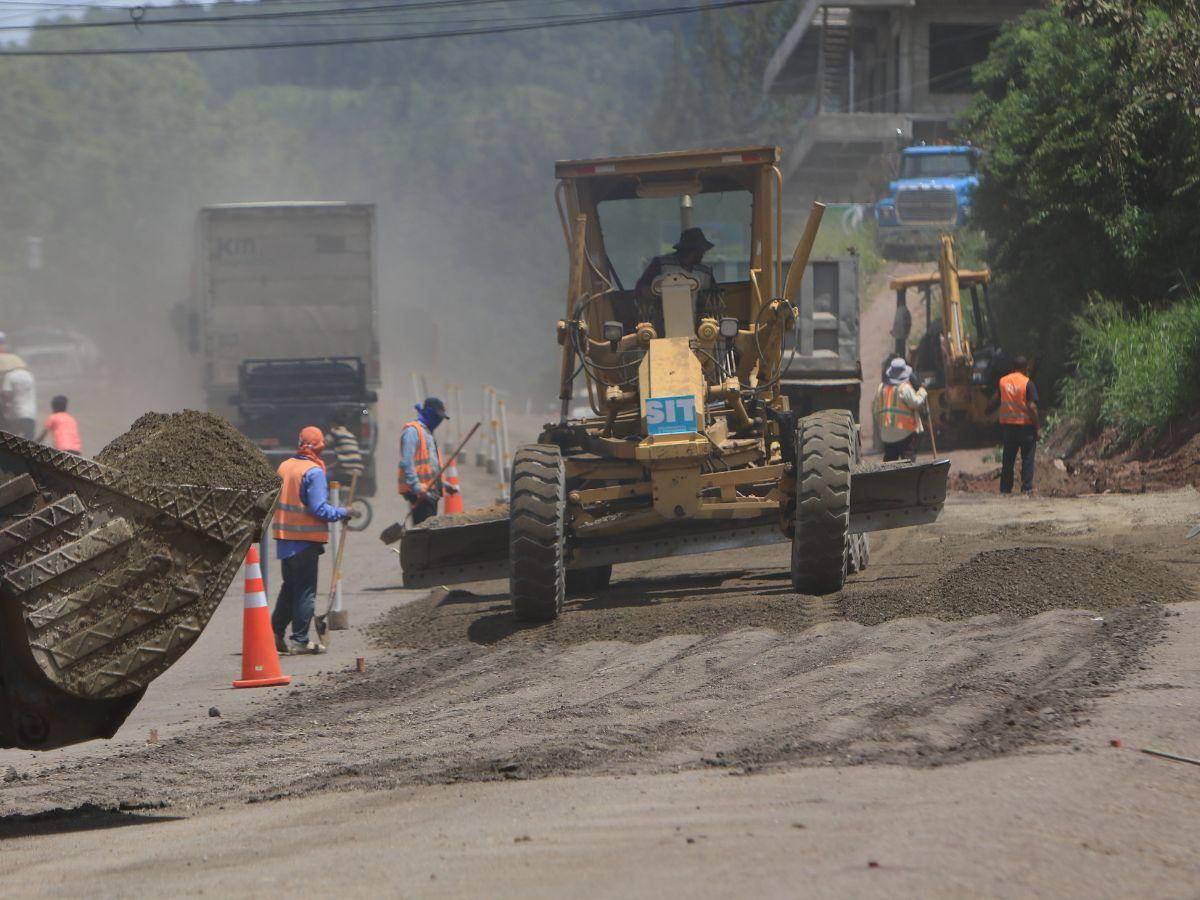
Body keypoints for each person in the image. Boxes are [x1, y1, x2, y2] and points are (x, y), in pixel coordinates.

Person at [271, 426, 356, 654]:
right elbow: (319, 508)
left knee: (289, 588)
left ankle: (274, 632)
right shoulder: (313, 472)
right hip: (304, 541)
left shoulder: (285, 466)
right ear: (319, 448)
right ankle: (300, 639)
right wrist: (343, 512)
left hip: (285, 540)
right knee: (305, 591)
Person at [631, 227, 716, 333]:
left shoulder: (705, 272)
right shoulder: (661, 265)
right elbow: (641, 290)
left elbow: (713, 299)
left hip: (696, 329)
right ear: (694, 250)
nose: (703, 254)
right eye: (701, 250)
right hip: (660, 326)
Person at [399, 397, 456, 525]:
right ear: (429, 412)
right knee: (424, 533)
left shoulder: (428, 433)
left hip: (431, 492)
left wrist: (444, 484)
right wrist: (416, 486)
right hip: (421, 494)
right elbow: (407, 463)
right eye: (437, 416)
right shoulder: (412, 432)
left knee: (429, 532)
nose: (439, 420)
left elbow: (430, 467)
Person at [997, 356, 1040, 494]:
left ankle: (1005, 489)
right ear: (1025, 368)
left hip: (1009, 427)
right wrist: (1037, 426)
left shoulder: (1003, 382)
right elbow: (1032, 407)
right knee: (1027, 458)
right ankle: (1026, 488)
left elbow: (998, 399)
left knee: (1008, 459)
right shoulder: (1028, 383)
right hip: (1025, 427)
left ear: (1012, 367)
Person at [873, 357, 928, 462]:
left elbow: (875, 411)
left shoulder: (881, 388)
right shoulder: (904, 388)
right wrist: (922, 390)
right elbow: (916, 403)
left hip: (886, 434)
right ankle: (909, 475)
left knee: (890, 461)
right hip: (905, 433)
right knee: (908, 459)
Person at [0, 350, 36, 440]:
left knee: (12, 441)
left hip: (16, 413)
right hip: (31, 413)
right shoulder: (29, 375)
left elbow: (6, 395)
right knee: (30, 440)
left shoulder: (10, 376)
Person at [326, 411, 365, 486]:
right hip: (357, 472)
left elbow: (321, 444)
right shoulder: (350, 435)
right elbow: (346, 459)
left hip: (345, 471)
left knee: (323, 478)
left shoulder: (335, 432)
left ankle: (324, 497)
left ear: (334, 424)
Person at [890, 293, 912, 358]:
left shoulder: (900, 310)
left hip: (900, 335)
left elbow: (898, 323)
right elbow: (908, 323)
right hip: (901, 335)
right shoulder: (904, 310)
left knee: (899, 351)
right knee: (901, 351)